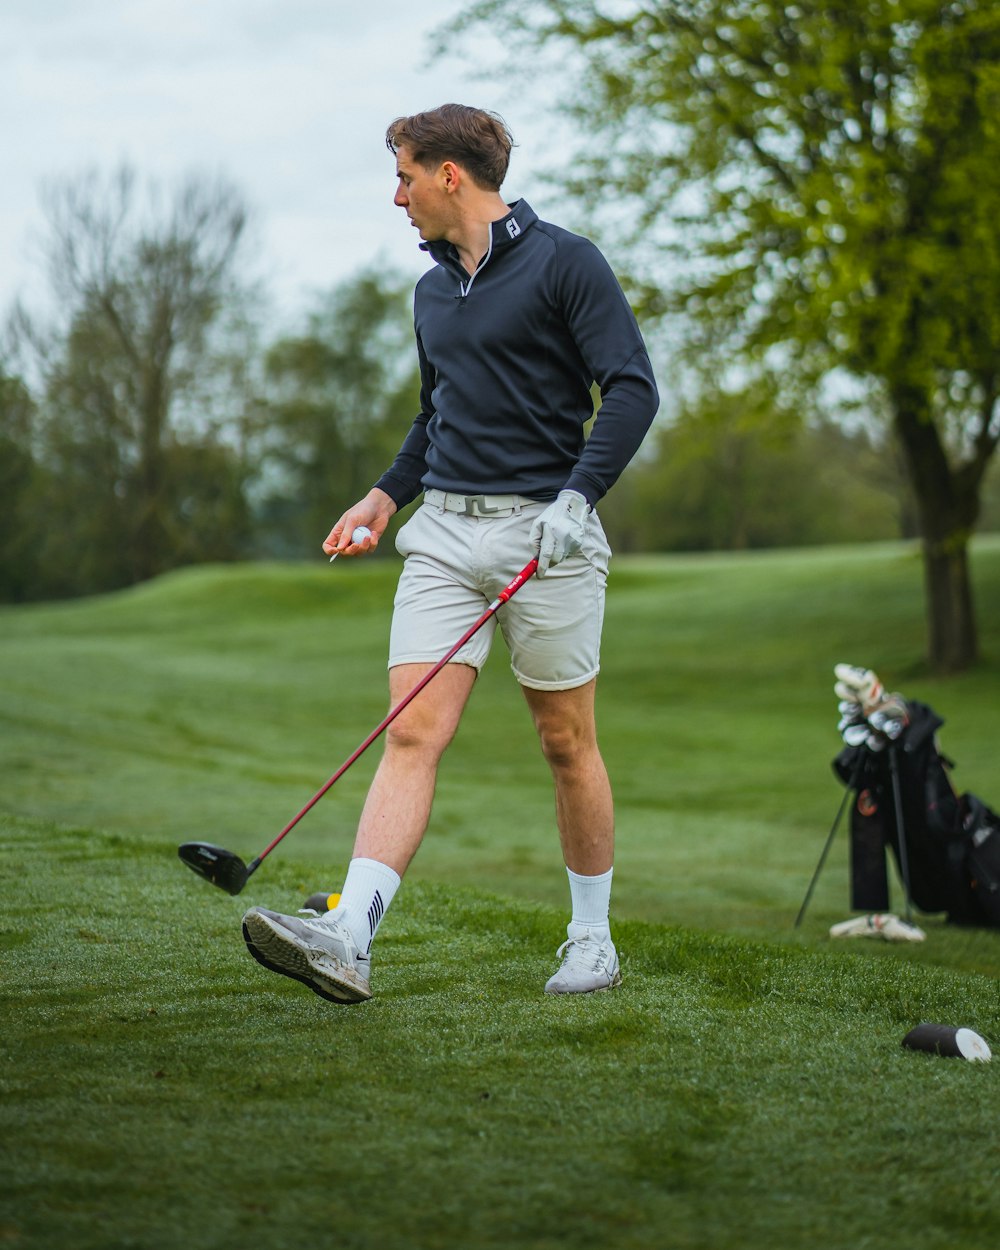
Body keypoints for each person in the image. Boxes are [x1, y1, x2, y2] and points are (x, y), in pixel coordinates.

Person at [242, 103, 659, 1004]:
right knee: (412, 729)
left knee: (565, 740)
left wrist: (578, 497)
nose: (396, 198)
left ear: (450, 176)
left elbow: (631, 387)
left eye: (403, 176)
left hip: (547, 537)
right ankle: (349, 935)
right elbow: (438, 415)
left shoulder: (566, 263)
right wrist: (386, 497)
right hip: (443, 540)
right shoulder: (431, 289)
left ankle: (592, 940)